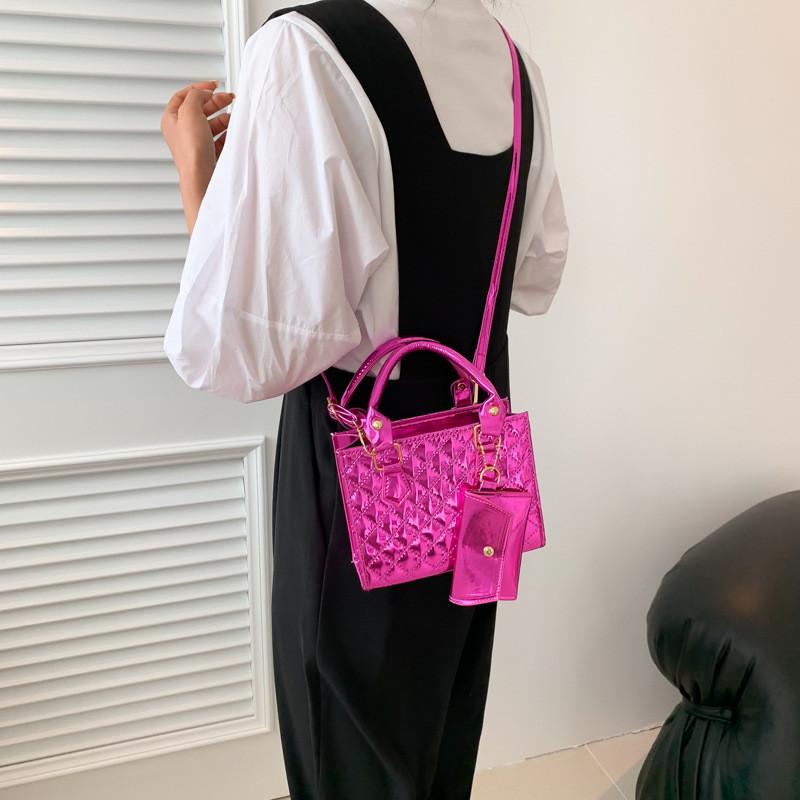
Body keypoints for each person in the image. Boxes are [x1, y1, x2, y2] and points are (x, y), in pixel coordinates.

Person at [160, 0, 569, 797]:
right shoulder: (515, 68)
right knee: (441, 732)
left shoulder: (304, 49)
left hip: (359, 478)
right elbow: (536, 275)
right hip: (479, 474)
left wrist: (196, 176)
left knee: (344, 757)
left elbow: (235, 350)